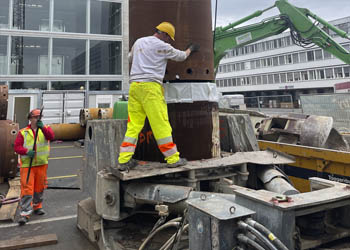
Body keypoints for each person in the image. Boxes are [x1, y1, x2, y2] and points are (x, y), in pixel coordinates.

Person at [117, 21, 199, 171]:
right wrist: (190, 50)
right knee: (160, 123)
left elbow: (129, 58)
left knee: (134, 125)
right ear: (165, 35)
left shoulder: (139, 42)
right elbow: (180, 56)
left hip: (134, 87)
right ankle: (173, 159)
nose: (168, 41)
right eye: (169, 38)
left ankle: (123, 160)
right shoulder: (162, 46)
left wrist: (143, 58)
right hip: (151, 88)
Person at [14, 109, 55, 225]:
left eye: (39, 117)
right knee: (27, 189)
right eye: (35, 117)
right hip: (28, 165)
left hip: (42, 164)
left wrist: (43, 128)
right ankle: (25, 213)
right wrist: (26, 151)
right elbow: (17, 147)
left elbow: (51, 137)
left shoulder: (45, 129)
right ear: (30, 118)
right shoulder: (23, 132)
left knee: (39, 187)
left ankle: (37, 206)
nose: (38, 119)